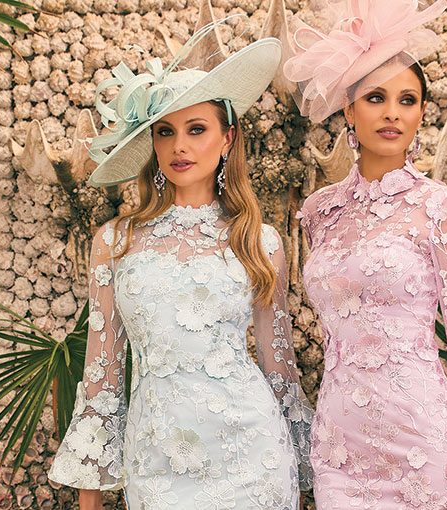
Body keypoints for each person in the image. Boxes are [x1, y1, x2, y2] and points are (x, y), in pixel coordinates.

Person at [48, 34, 313, 510]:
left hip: (253, 458)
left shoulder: (260, 240)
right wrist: (89, 495)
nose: (179, 146)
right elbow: (103, 373)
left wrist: (308, 469)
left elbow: (280, 371)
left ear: (227, 137)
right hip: (156, 461)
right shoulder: (115, 241)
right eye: (165, 131)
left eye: (196, 129)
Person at [284, 0, 447, 508]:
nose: (392, 112)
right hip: (338, 445)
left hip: (422, 443)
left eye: (407, 99)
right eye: (376, 97)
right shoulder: (318, 212)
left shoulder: (443, 207)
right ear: (349, 109)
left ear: (420, 112)